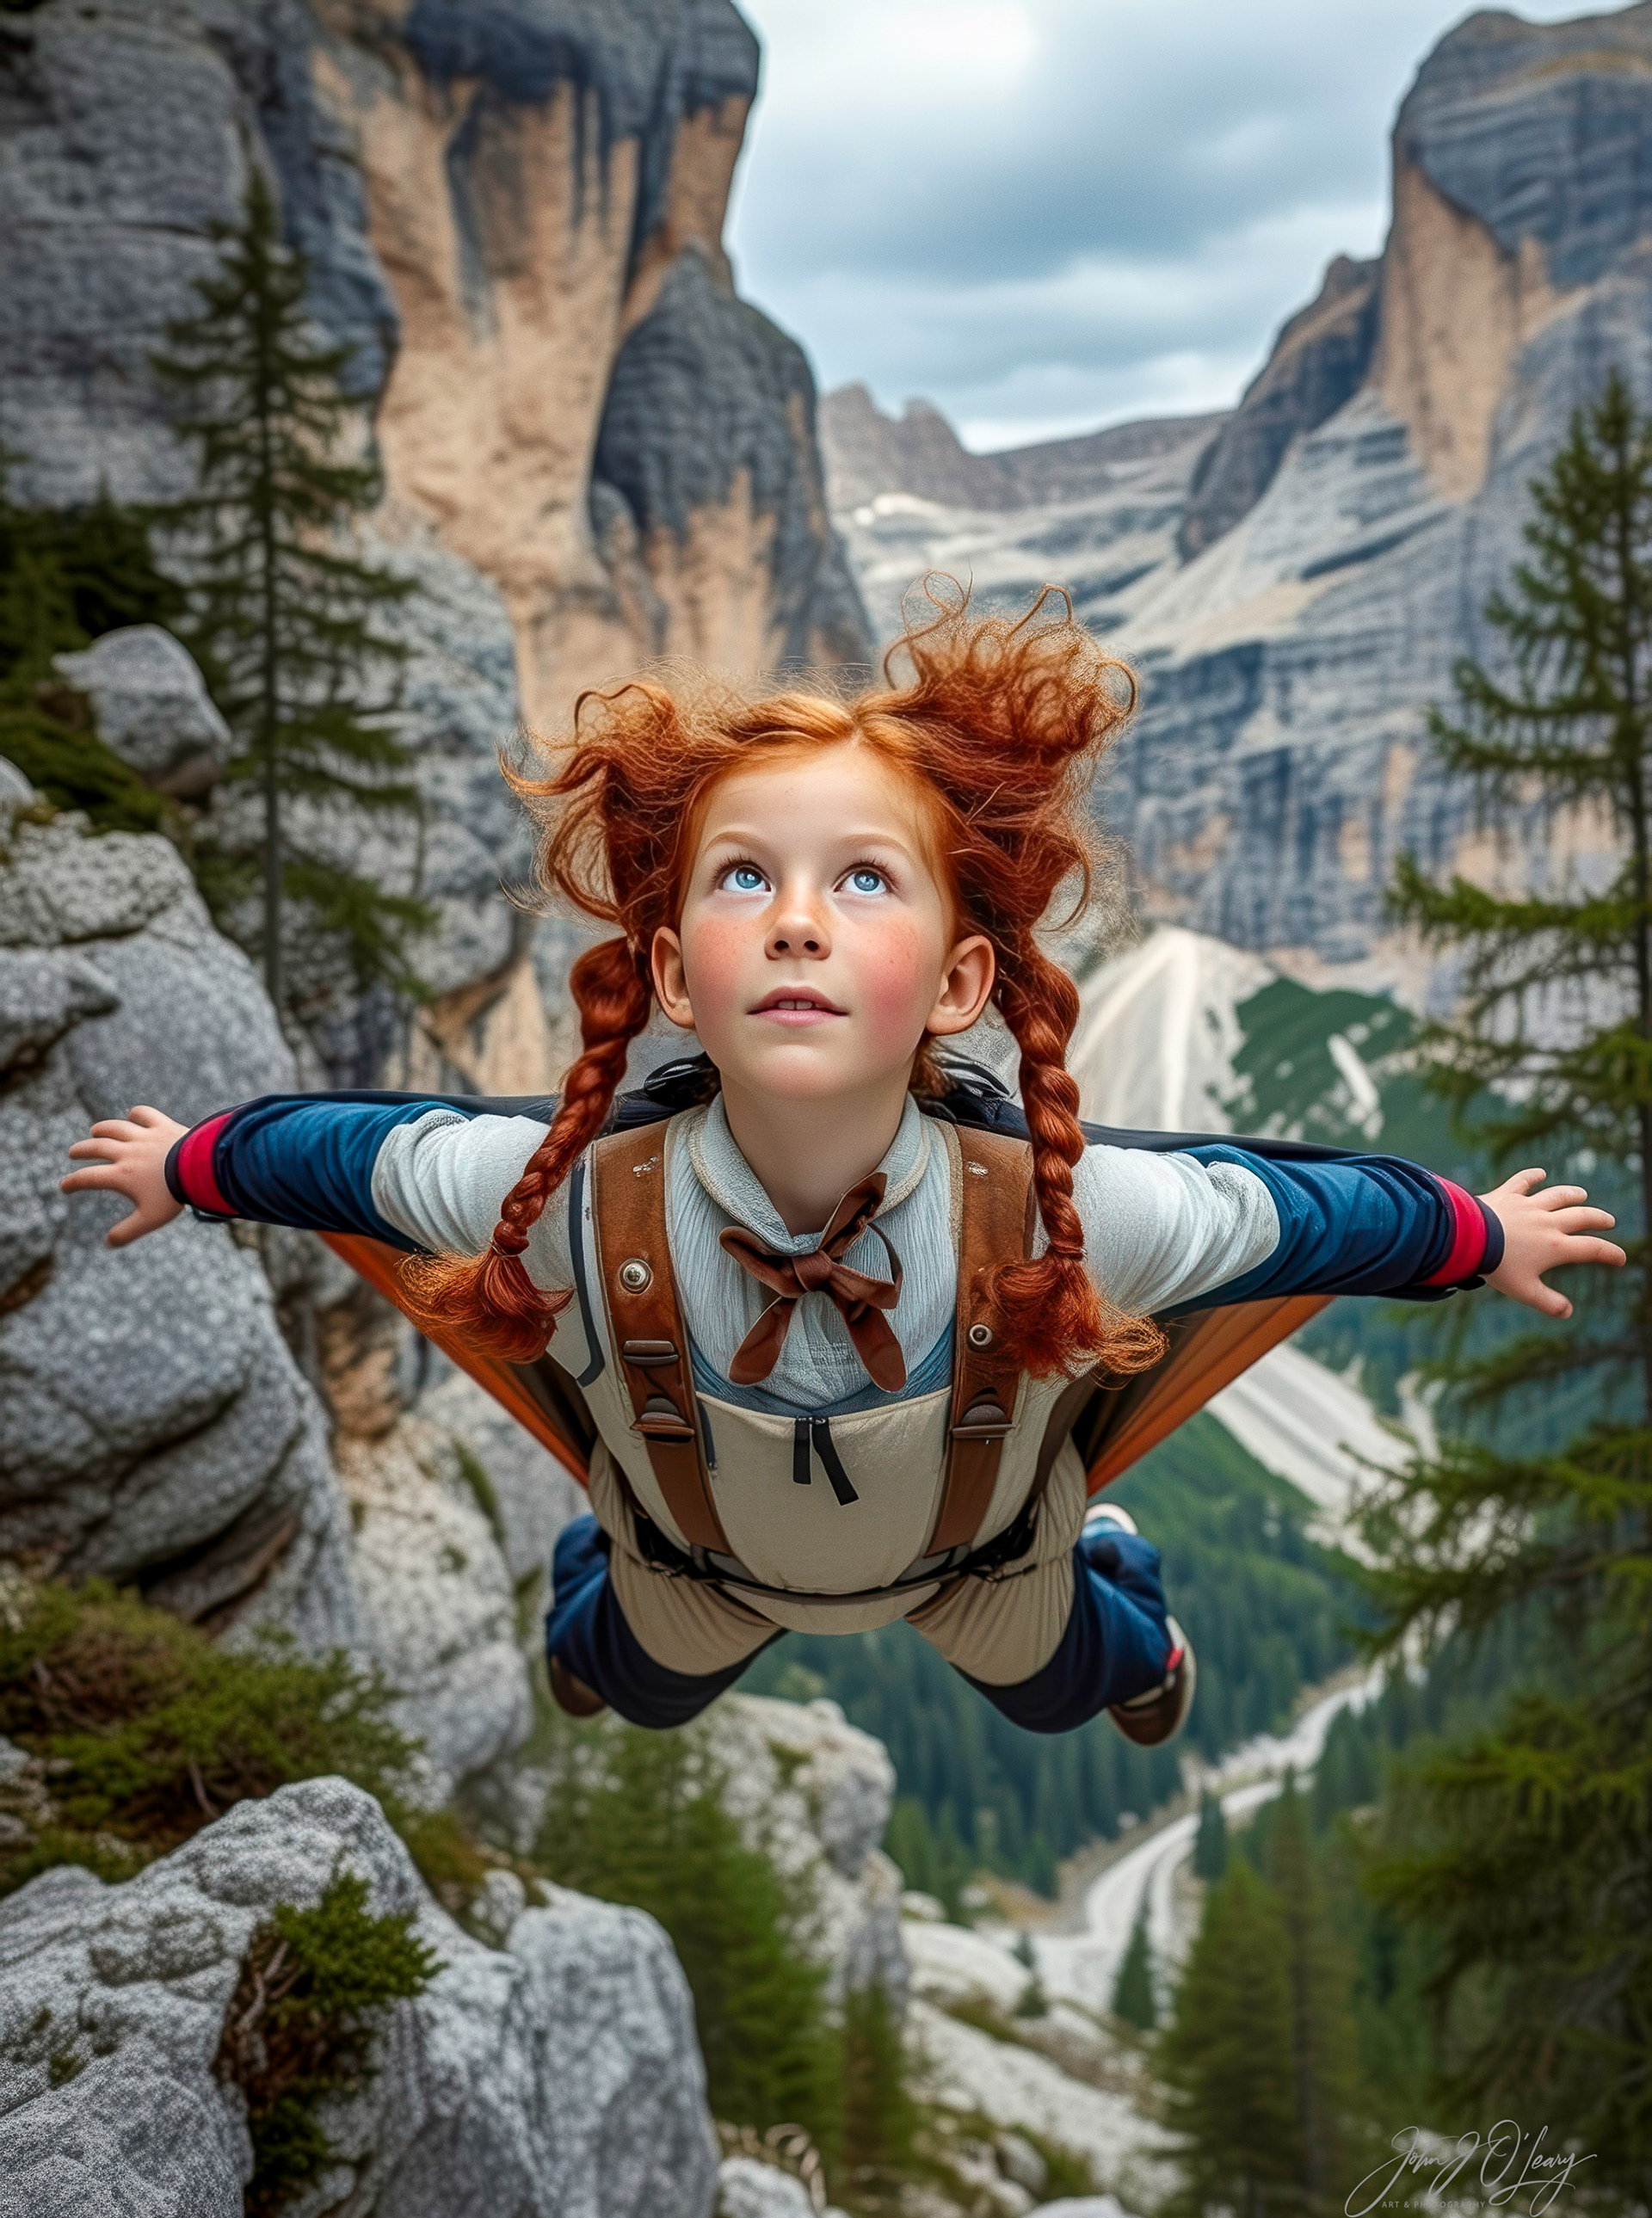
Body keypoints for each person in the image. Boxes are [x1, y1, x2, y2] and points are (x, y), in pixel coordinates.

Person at [60, 591, 1624, 1741]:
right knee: (636, 1686)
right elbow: (343, 1155)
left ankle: (1130, 1620)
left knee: (1066, 1689)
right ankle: (593, 1604)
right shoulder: (568, 1200)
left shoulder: (1071, 1218)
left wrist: (1478, 1234)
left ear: (957, 988)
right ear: (674, 974)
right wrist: (190, 1163)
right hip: (706, 1562)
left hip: (977, 1557)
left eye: (861, 879)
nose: (798, 915)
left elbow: (1297, 1214)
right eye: (748, 876)